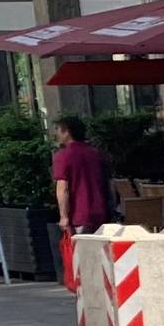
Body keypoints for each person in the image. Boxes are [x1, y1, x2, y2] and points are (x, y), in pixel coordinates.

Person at [50, 116, 110, 292]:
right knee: (101, 254)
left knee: (82, 256)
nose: (56, 134)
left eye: (58, 130)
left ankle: (87, 292)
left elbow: (63, 188)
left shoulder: (63, 156)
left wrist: (63, 216)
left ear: (66, 132)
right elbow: (108, 182)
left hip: (79, 215)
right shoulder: (95, 153)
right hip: (101, 211)